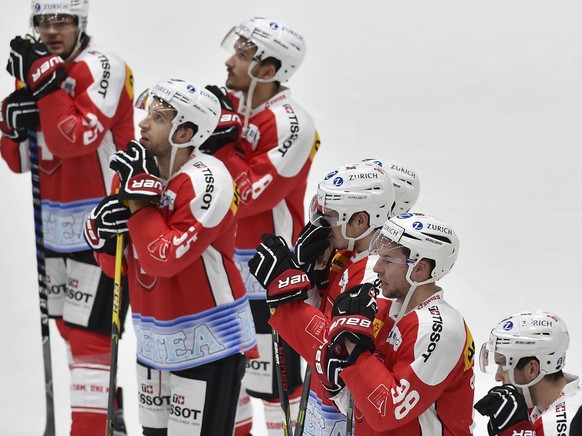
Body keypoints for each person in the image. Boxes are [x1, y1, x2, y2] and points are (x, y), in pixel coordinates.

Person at [85, 78, 257, 435]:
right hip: (154, 345)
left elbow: (163, 260)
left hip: (210, 343)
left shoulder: (209, 179)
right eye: (148, 114)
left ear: (185, 133)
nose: (144, 123)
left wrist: (136, 206)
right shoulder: (137, 173)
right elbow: (120, 268)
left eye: (159, 117)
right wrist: (102, 238)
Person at [0, 1, 133, 434]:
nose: (53, 29)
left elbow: (74, 139)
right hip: (54, 229)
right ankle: (105, 412)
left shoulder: (102, 65)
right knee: (68, 330)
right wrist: (8, 124)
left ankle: (88, 428)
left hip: (101, 228)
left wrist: (43, 85)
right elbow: (22, 161)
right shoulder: (36, 69)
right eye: (44, 20)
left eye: (64, 20)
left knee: (89, 338)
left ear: (82, 23)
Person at [249, 212, 476, 435]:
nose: (376, 268)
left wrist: (354, 355)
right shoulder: (386, 307)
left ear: (420, 268)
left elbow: (386, 411)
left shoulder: (440, 329)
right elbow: (359, 400)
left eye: (387, 259)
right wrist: (290, 298)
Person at [202, 17, 320, 435]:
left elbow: (251, 196)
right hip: (220, 268)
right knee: (228, 380)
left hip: (266, 270)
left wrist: (224, 147)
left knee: (273, 388)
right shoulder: (225, 107)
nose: (230, 61)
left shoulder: (292, 123)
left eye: (243, 54)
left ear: (268, 71)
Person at [288, 159, 419, 435]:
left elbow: (336, 344)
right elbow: (323, 317)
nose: (324, 223)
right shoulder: (345, 254)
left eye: (334, 214)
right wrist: (310, 277)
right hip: (324, 398)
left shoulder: (375, 273)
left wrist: (286, 302)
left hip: (342, 408)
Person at [475, 310, 582, 435]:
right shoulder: (533, 409)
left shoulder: (574, 425)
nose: (498, 377)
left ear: (531, 369)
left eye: (503, 366)